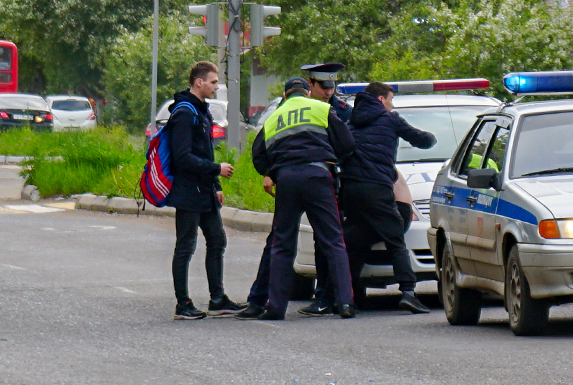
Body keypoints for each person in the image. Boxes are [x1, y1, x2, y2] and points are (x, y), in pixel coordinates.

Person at [236, 63, 351, 317]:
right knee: (333, 240)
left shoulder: (274, 118)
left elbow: (258, 156)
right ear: (307, 91)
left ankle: (275, 308)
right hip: (318, 175)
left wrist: (273, 173)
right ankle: (344, 303)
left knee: (282, 243)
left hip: (287, 179)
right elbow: (346, 143)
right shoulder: (322, 109)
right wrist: (331, 160)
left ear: (286, 96)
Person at [344, 82, 437, 313]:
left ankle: (348, 295)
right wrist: (432, 138)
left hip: (349, 190)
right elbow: (420, 140)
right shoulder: (390, 119)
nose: (392, 104)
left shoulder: (350, 122)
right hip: (377, 188)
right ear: (381, 99)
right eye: (390, 99)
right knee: (395, 238)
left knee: (356, 240)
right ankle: (408, 292)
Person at [166, 61, 244, 319]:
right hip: (188, 191)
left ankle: (218, 299)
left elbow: (203, 150)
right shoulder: (184, 113)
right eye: (212, 82)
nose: (216, 86)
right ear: (198, 82)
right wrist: (215, 169)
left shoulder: (201, 110)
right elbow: (182, 158)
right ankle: (183, 304)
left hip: (205, 190)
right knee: (186, 247)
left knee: (217, 240)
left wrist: (216, 184)